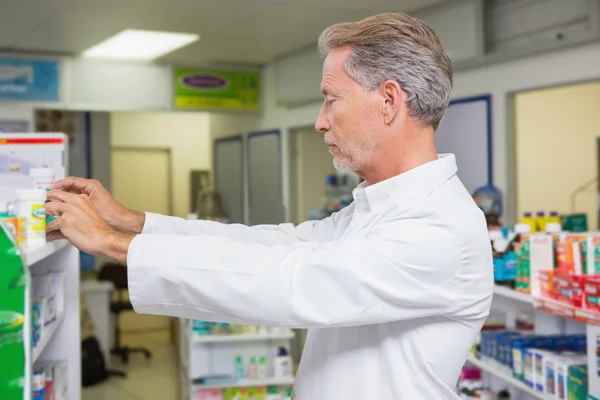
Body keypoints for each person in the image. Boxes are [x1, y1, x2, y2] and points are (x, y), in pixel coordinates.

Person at [45, 13, 493, 400]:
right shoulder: (377, 208)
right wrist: (133, 223)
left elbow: (290, 284)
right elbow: (270, 245)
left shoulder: (440, 227)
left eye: (331, 99)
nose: (320, 121)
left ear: (389, 101)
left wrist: (112, 244)